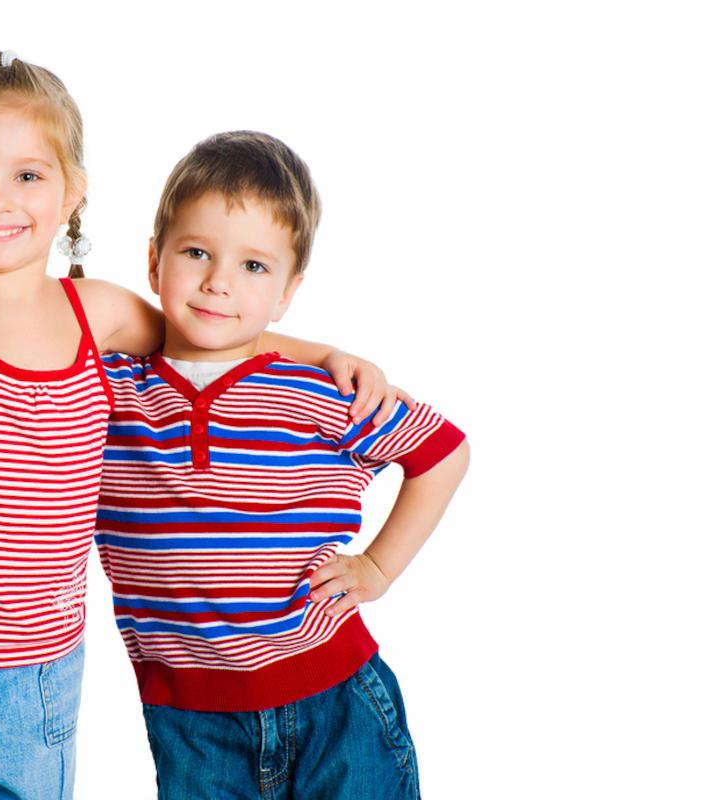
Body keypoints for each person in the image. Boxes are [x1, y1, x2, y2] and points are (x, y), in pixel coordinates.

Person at [0, 50, 407, 800]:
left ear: (72, 193)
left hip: (43, 676)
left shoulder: (100, 316)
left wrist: (324, 354)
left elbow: (208, 334)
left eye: (28, 175)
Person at [94, 131, 470, 799]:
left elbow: (442, 452)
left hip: (335, 701)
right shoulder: (109, 386)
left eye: (254, 266)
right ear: (154, 261)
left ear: (288, 292)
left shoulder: (318, 392)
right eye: (196, 252)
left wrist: (378, 567)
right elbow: (19, 344)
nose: (218, 281)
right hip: (191, 721)